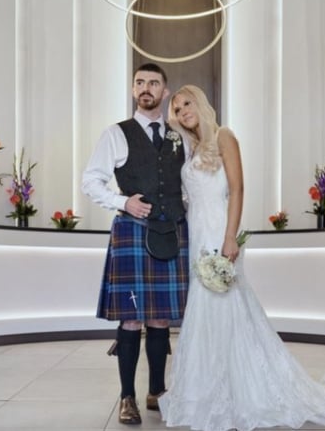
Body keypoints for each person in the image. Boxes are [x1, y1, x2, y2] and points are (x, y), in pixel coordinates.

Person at [158, 85, 325, 431]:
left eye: (187, 103)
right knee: (205, 310)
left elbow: (237, 189)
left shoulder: (224, 136)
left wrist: (230, 237)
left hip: (220, 232)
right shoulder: (188, 149)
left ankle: (240, 392)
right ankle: (205, 392)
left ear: (201, 103)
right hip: (197, 235)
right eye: (176, 109)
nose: (182, 111)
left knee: (226, 306)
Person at [81, 63, 189, 425]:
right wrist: (122, 201)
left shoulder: (180, 136)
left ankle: (156, 391)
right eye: (140, 82)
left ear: (165, 92)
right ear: (133, 90)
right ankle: (127, 397)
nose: (146, 88)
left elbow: (189, 183)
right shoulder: (116, 133)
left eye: (154, 83)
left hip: (171, 232)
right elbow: (90, 181)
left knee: (160, 318)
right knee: (131, 318)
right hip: (132, 231)